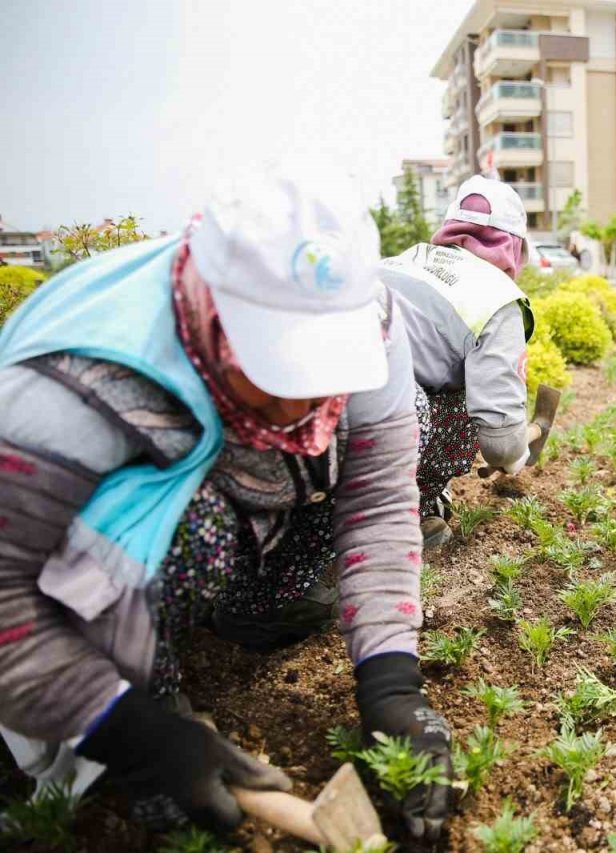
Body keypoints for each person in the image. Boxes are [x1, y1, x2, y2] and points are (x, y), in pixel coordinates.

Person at [0, 167, 451, 840]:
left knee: (394, 415)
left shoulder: (369, 318)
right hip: (51, 567)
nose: (300, 405)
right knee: (194, 529)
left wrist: (392, 683)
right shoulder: (68, 389)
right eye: (274, 369)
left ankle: (250, 609)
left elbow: (380, 500)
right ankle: (95, 725)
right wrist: (129, 731)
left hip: (219, 473)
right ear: (212, 313)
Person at [378, 176, 545, 547]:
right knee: (467, 407)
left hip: (309, 399)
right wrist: (513, 453)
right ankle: (409, 513)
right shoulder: (497, 298)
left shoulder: (409, 257)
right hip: (376, 422)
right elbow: (499, 442)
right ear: (515, 247)